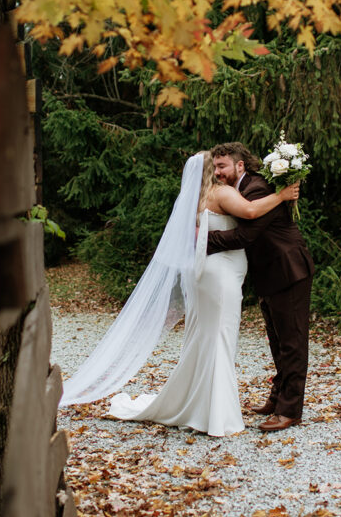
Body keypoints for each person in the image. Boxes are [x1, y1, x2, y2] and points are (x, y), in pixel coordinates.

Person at [59, 151, 299, 438]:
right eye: (218, 167)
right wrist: (282, 196)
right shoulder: (220, 193)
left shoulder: (193, 199)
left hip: (204, 274)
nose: (221, 172)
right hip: (219, 275)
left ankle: (200, 405)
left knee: (204, 338)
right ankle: (217, 415)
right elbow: (249, 213)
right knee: (220, 337)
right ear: (211, 170)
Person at [206, 142, 314, 433]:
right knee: (278, 341)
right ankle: (278, 397)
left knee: (292, 342)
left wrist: (204, 239)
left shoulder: (256, 188)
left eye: (222, 166)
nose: (217, 172)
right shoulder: (241, 190)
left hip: (288, 269)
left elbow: (245, 236)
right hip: (269, 274)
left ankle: (289, 410)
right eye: (215, 167)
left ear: (239, 165)